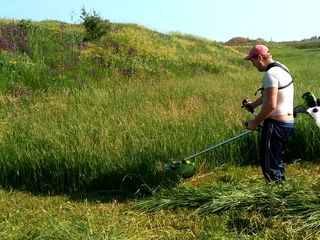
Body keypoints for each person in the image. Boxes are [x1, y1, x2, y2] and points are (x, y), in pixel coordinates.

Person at [242, 44, 294, 183]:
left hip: (275, 125)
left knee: (270, 166)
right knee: (277, 161)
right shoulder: (282, 68)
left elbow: (271, 105)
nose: (253, 65)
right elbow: (270, 95)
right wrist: (253, 105)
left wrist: (255, 122)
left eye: (252, 61)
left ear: (259, 57)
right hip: (287, 124)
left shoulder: (270, 75)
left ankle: (275, 199)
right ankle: (282, 193)